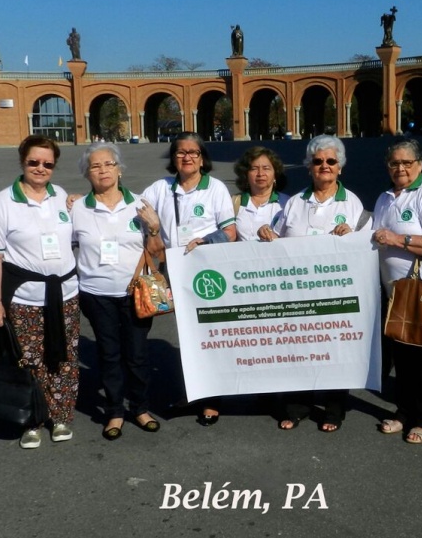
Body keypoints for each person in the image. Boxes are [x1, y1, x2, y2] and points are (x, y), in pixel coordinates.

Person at [257, 135, 365, 432]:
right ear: (309, 167)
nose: (324, 166)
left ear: (340, 167)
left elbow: (364, 248)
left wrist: (351, 236)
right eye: (318, 162)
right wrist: (267, 234)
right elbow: (276, 240)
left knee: (335, 350)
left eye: (331, 161)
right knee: (299, 348)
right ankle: (297, 405)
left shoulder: (352, 202)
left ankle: (333, 409)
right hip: (298, 292)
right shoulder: (294, 202)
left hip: (335, 293)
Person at [0, 135, 80, 449]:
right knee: (29, 360)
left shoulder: (60, 195)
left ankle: (60, 415)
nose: (40, 168)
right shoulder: (2, 202)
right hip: (25, 298)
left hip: (65, 294)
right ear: (22, 161)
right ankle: (32, 419)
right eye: (33, 162)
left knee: (65, 357)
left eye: (48, 163)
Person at [140, 132, 236, 426]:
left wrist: (205, 240)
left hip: (208, 272)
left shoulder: (215, 188)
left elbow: (230, 232)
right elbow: (129, 209)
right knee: (188, 335)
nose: (187, 157)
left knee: (210, 334)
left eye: (193, 152)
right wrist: (76, 199)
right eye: (181, 152)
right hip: (175, 271)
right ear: (173, 158)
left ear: (202, 157)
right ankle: (193, 393)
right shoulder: (160, 188)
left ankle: (211, 400)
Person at [71, 143, 164, 441]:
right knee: (109, 354)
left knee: (136, 354)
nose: (103, 170)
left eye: (108, 164)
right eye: (95, 166)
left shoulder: (139, 204)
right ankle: (114, 411)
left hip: (134, 292)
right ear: (87, 173)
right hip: (95, 294)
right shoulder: (77, 209)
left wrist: (153, 228)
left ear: (119, 169)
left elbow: (157, 253)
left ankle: (140, 407)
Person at [371, 139, 422, 444]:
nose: (400, 168)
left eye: (407, 163)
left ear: (419, 164)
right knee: (402, 352)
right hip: (396, 290)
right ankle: (405, 410)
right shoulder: (384, 197)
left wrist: (399, 241)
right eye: (394, 163)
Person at [232, 146, 289, 241]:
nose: (260, 174)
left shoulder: (287, 203)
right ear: (245, 174)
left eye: (266, 168)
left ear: (275, 174)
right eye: (254, 169)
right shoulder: (234, 203)